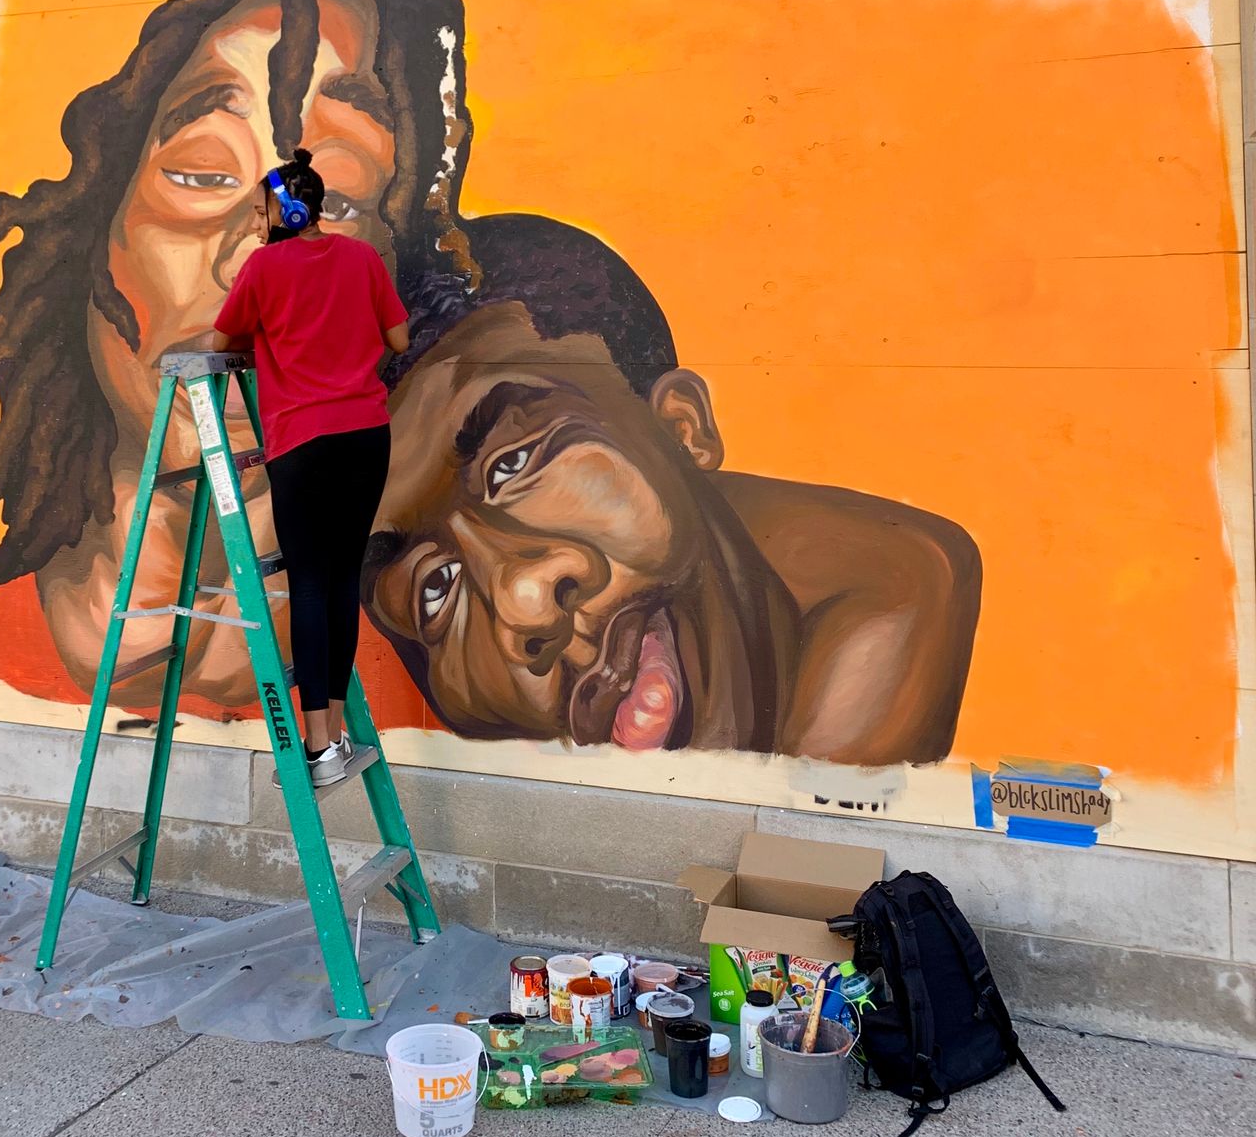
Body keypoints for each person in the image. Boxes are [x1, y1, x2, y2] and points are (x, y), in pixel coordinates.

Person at [0, 0, 475, 710]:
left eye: (344, 195)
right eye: (203, 175)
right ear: (97, 226)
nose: (244, 251)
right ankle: (320, 734)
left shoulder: (447, 655)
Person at [367, 213, 982, 767]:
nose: (523, 603)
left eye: (516, 464)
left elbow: (783, 856)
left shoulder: (885, 587)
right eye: (434, 589)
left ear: (681, 428)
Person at [210, 149, 411, 785]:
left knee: (309, 585)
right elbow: (399, 340)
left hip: (301, 443)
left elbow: (224, 343)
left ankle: (318, 745)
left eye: (262, 208)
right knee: (344, 580)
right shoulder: (362, 258)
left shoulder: (264, 267)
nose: (255, 220)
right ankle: (338, 739)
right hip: (364, 437)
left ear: (288, 208)